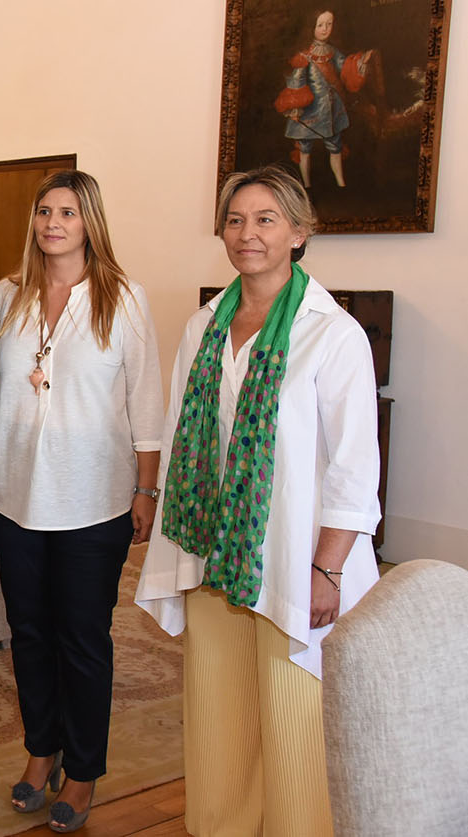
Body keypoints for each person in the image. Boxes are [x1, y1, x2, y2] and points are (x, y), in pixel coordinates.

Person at [135, 165, 381, 836]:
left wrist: (326, 567)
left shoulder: (332, 335)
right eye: (235, 219)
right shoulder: (204, 325)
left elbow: (356, 468)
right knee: (220, 707)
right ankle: (220, 824)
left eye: (266, 219)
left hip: (293, 558)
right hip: (214, 552)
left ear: (299, 232)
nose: (247, 233)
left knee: (292, 712)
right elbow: (191, 432)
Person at [0, 170, 162, 833]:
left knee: (81, 637)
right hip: (11, 492)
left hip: (93, 499)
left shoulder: (123, 298)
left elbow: (146, 401)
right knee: (27, 632)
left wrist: (145, 485)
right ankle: (39, 748)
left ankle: (82, 769)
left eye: (68, 213)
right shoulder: (6, 296)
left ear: (90, 223)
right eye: (45, 211)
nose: (53, 222)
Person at [274, 9, 374, 188]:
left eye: (329, 24)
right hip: (309, 111)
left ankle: (341, 184)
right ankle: (306, 186)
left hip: (331, 110)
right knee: (305, 150)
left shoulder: (333, 52)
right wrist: (295, 107)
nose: (325, 29)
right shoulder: (303, 55)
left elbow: (345, 71)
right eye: (320, 25)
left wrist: (360, 63)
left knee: (335, 147)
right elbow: (297, 81)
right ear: (311, 27)